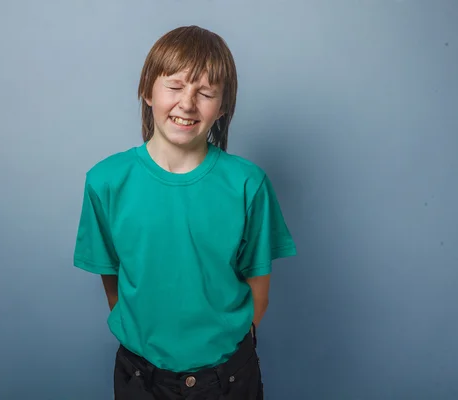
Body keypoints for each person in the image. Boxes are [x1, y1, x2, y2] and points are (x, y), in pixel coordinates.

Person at [73, 25, 297, 400]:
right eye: (174, 87)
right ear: (147, 90)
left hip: (227, 377)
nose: (187, 103)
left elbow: (260, 285)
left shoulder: (247, 183)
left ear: (223, 106)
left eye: (205, 92)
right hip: (140, 375)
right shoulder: (105, 182)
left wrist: (228, 347)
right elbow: (112, 278)